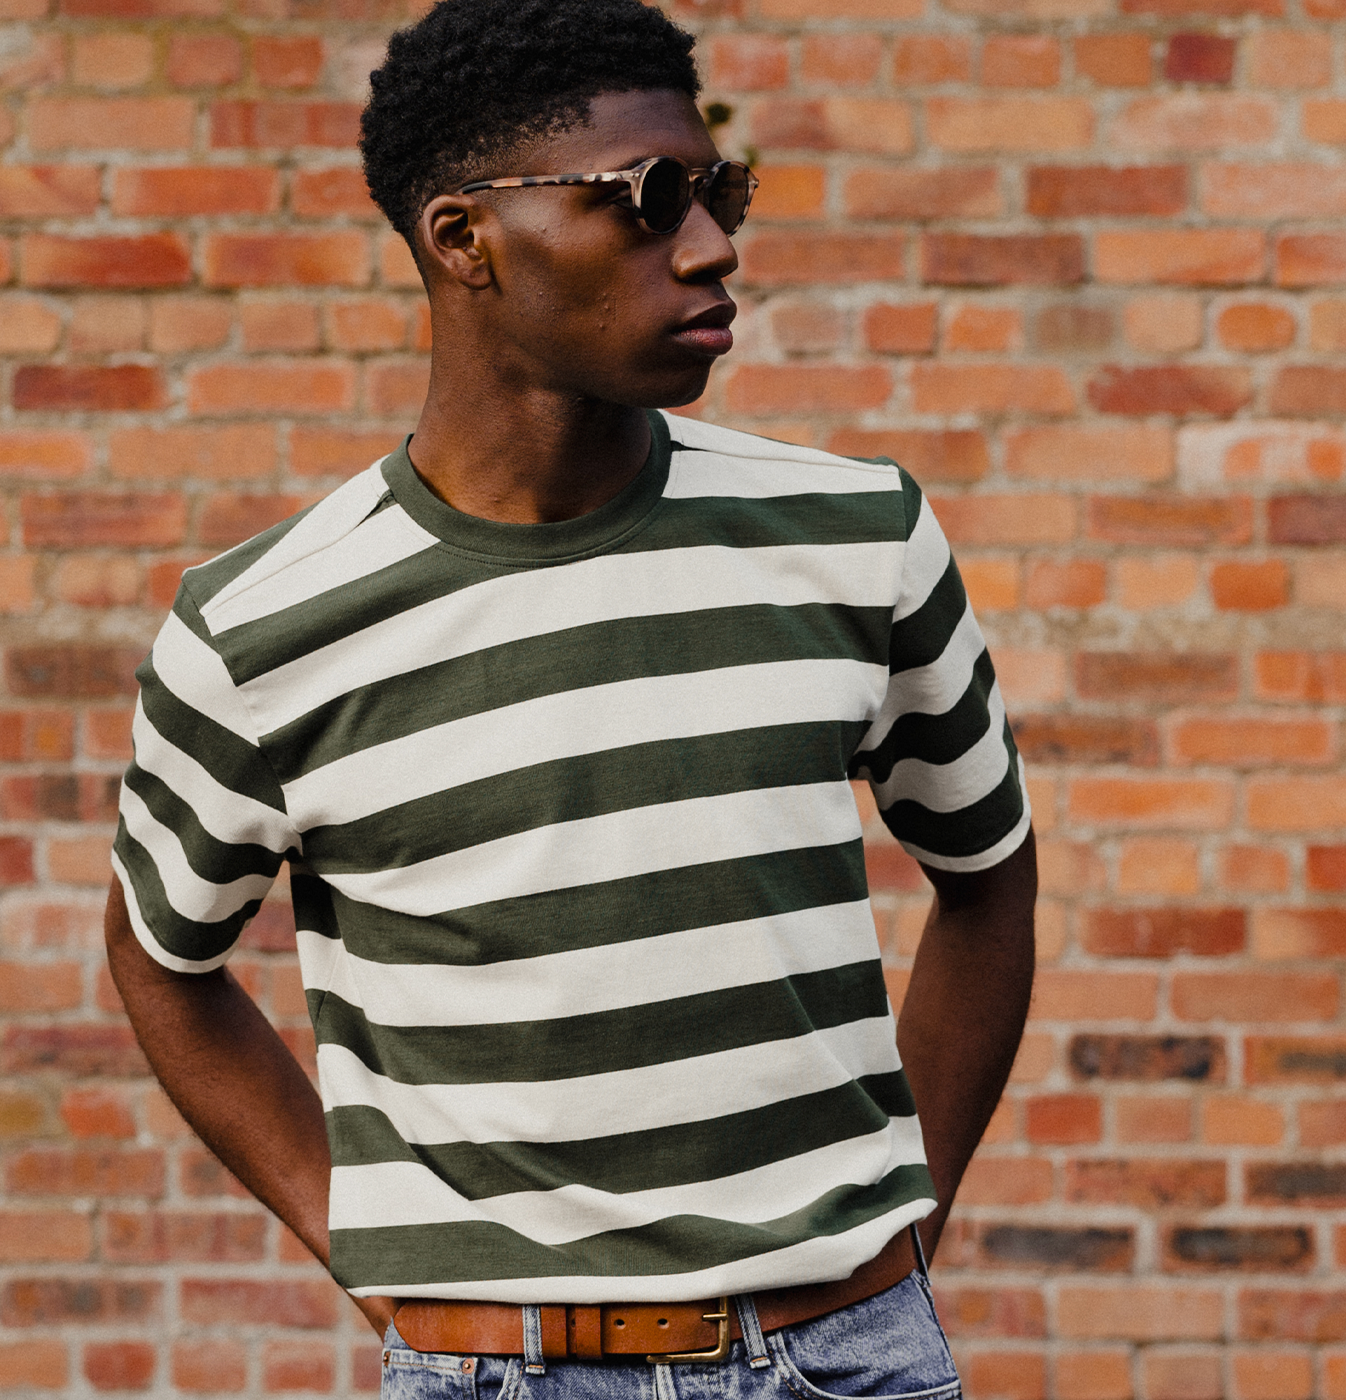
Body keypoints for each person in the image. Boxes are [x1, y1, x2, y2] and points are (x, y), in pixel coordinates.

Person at [105, 2, 1037, 1396]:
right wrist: (362, 1245)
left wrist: (910, 1226)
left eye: (719, 193)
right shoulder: (258, 627)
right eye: (648, 199)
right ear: (463, 239)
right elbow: (159, 960)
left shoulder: (858, 535)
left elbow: (990, 878)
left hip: (850, 1357)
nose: (712, 246)